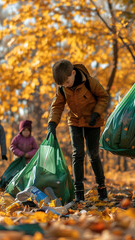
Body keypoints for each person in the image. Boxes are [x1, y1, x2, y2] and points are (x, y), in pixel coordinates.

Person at [47, 59, 110, 202]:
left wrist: (96, 113)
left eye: (67, 82)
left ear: (73, 73)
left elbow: (103, 97)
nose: (66, 86)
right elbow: (57, 106)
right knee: (77, 154)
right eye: (63, 85)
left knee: (93, 154)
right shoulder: (62, 88)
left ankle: (101, 188)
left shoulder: (89, 82)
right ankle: (79, 192)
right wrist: (52, 123)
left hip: (93, 121)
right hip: (75, 121)